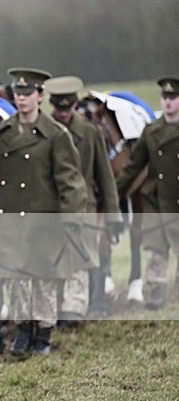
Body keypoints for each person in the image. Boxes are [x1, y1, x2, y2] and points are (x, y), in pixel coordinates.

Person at [0, 68, 87, 356]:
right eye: (18, 93)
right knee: (16, 281)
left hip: (44, 217)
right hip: (10, 218)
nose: (22, 99)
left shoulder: (55, 135)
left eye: (28, 94)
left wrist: (71, 220)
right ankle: (23, 331)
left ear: (40, 96)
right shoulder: (2, 133)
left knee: (43, 280)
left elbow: (70, 181)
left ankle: (43, 334)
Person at [43, 76, 124, 324]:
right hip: (49, 207)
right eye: (59, 108)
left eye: (67, 108)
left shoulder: (90, 133)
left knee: (80, 259)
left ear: (75, 105)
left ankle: (75, 309)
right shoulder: (43, 131)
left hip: (84, 207)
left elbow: (105, 176)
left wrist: (113, 215)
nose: (63, 113)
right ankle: (57, 308)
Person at [116, 75, 179, 310]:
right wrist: (114, 192)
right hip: (156, 197)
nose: (168, 102)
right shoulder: (151, 132)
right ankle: (157, 289)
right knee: (156, 245)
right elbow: (134, 165)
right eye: (165, 97)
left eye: (173, 97)